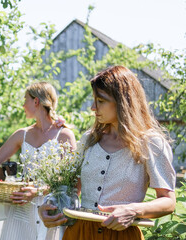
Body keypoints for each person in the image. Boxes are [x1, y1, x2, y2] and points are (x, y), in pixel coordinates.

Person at [39, 65, 176, 240]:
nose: (93, 108)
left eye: (100, 101)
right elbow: (70, 189)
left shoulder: (151, 143)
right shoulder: (89, 139)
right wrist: (49, 205)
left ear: (123, 102)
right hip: (80, 233)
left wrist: (133, 210)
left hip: (123, 235)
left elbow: (168, 201)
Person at [0, 82, 76, 240]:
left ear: (36, 101)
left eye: (25, 100)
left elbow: (72, 180)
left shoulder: (64, 135)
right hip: (20, 213)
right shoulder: (21, 134)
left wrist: (38, 190)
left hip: (50, 211)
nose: (23, 105)